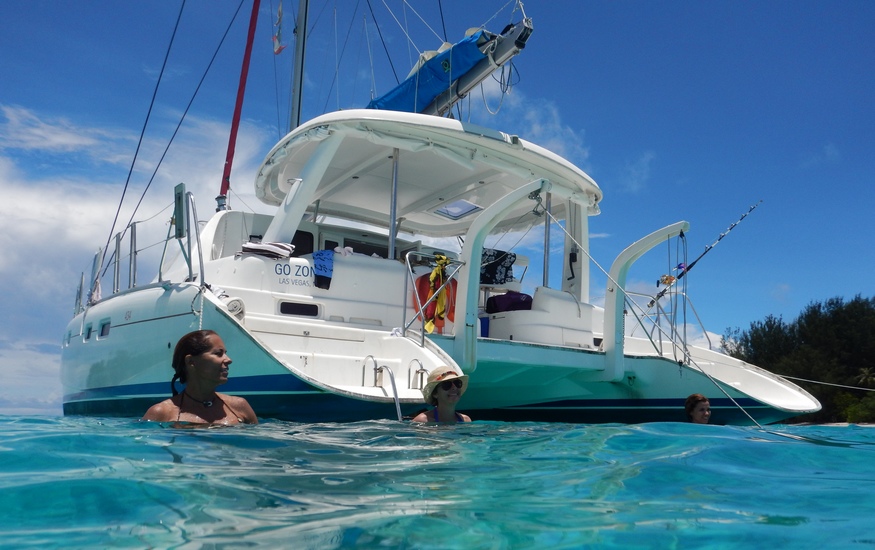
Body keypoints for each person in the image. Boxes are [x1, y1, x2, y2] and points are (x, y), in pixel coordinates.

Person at [142, 330, 258, 425]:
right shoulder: (162, 413)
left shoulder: (239, 406)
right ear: (191, 361)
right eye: (218, 353)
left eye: (225, 353)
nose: (229, 359)